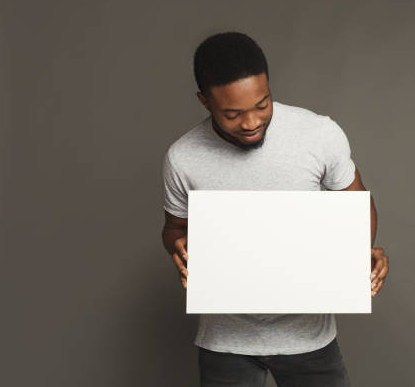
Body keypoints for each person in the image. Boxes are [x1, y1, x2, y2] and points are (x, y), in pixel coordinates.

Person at [161, 31, 389, 387]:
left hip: (310, 337)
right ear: (205, 101)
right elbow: (174, 228)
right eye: (233, 114)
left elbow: (355, 200)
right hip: (225, 341)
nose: (251, 123)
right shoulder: (183, 157)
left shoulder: (318, 134)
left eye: (262, 105)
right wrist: (178, 247)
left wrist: (357, 253)